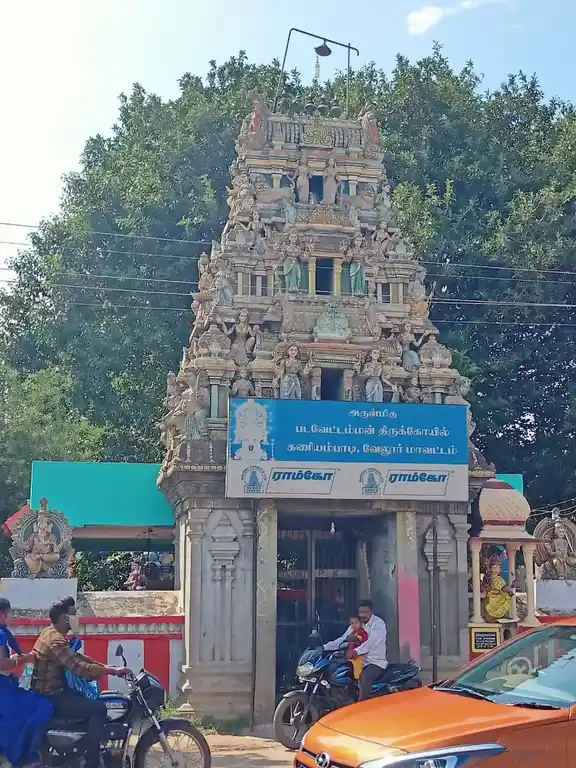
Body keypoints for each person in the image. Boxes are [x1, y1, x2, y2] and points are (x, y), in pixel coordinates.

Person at [31, 597, 131, 768]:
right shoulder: (55, 640)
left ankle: (84, 748)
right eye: (73, 613)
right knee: (99, 708)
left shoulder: (50, 632)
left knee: (95, 700)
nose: (77, 617)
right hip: (52, 696)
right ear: (64, 618)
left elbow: (76, 656)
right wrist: (112, 671)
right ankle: (92, 762)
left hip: (54, 692)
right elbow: (80, 667)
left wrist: (105, 666)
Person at [0, 597, 53, 767]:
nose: (11, 616)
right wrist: (23, 660)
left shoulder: (4, 633)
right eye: (9, 613)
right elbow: (0, 663)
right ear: (3, 615)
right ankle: (26, 755)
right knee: (43, 706)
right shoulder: (1, 634)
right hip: (4, 689)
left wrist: (16, 659)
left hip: (7, 684)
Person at [323, 599, 388, 700]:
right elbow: (343, 639)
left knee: (364, 677)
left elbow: (371, 642)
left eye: (365, 612)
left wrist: (356, 651)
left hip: (375, 662)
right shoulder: (357, 624)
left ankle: (363, 706)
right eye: (360, 612)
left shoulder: (379, 624)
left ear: (371, 611)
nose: (362, 615)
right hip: (356, 662)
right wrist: (324, 647)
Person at [345, 615, 369, 680]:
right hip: (350, 657)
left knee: (357, 674)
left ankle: (358, 683)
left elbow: (363, 639)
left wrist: (358, 638)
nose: (354, 625)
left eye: (356, 622)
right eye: (352, 623)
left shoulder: (363, 632)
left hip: (358, 657)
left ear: (361, 623)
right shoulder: (352, 633)